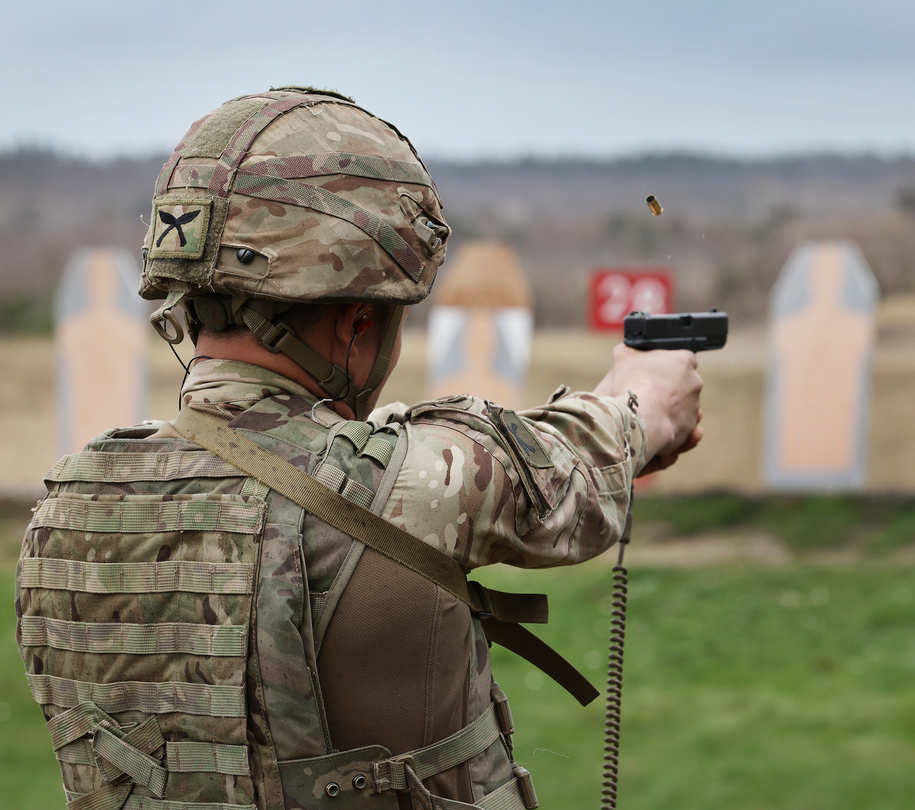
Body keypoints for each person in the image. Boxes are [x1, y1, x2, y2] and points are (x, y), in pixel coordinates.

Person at [16, 87, 703, 810]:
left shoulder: (69, 504)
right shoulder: (410, 484)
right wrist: (642, 396)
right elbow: (579, 465)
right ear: (357, 325)